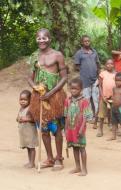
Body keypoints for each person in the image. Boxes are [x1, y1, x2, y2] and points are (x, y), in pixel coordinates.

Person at [28, 28, 67, 170]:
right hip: (39, 97)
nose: (41, 40)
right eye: (39, 38)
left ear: (49, 39)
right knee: (43, 129)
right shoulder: (34, 57)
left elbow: (64, 77)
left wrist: (52, 93)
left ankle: (59, 158)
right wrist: (35, 87)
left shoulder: (58, 55)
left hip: (54, 96)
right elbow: (29, 78)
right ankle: (49, 158)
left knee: (56, 128)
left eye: (44, 38)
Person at [64, 78, 92, 176]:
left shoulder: (84, 101)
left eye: (76, 89)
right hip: (71, 129)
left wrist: (81, 129)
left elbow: (86, 116)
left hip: (79, 129)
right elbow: (66, 115)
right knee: (74, 148)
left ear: (81, 89)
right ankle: (77, 167)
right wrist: (65, 129)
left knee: (82, 148)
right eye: (71, 89)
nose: (73, 91)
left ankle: (84, 169)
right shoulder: (67, 100)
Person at [74, 35, 100, 128]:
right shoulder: (79, 53)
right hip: (85, 79)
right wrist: (84, 71)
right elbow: (76, 66)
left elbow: (97, 64)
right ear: (82, 42)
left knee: (96, 99)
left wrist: (99, 76)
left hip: (95, 79)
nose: (87, 42)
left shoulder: (94, 52)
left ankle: (98, 117)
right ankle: (88, 117)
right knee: (87, 99)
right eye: (85, 41)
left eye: (88, 41)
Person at [16, 90, 38, 168]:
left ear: (30, 100)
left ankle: (32, 163)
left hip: (30, 132)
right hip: (24, 132)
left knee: (31, 147)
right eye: (21, 99)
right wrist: (18, 118)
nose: (22, 101)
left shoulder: (30, 109)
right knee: (28, 147)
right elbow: (18, 117)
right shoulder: (21, 108)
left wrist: (26, 119)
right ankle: (30, 161)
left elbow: (34, 119)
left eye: (25, 100)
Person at [97, 59, 116, 137]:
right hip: (104, 97)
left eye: (111, 64)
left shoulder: (116, 74)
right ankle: (100, 130)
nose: (109, 65)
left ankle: (115, 129)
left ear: (113, 65)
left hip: (114, 98)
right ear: (105, 65)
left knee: (114, 114)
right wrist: (102, 96)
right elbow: (100, 86)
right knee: (101, 115)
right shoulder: (102, 74)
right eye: (108, 64)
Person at [108, 72, 121, 142]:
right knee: (114, 123)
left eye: (119, 80)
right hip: (114, 107)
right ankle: (113, 136)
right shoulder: (114, 88)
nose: (117, 82)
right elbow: (114, 96)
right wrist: (111, 100)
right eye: (116, 80)